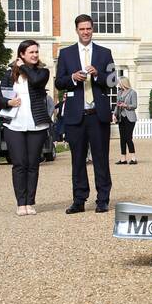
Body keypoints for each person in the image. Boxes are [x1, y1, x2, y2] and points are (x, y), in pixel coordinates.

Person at [54, 14, 114, 214]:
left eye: (88, 28)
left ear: (93, 29)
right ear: (77, 30)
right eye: (82, 29)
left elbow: (112, 81)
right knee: (77, 159)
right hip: (75, 115)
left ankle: (103, 199)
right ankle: (79, 199)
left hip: (98, 114)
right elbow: (58, 82)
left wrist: (98, 75)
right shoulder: (66, 54)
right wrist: (72, 77)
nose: (86, 32)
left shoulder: (105, 53)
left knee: (101, 158)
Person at [0, 40, 52, 215]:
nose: (35, 55)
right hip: (14, 124)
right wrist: (8, 101)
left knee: (33, 164)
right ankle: (21, 203)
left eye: (36, 52)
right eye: (31, 52)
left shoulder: (43, 72)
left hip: (37, 124)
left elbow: (36, 81)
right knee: (20, 164)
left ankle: (30, 202)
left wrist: (23, 67)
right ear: (21, 54)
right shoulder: (9, 74)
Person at [115, 77, 138, 165]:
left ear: (124, 83)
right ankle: (123, 159)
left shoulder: (132, 92)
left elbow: (135, 105)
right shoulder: (119, 92)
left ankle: (133, 158)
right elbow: (117, 105)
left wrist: (126, 105)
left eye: (120, 82)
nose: (118, 84)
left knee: (128, 137)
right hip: (121, 117)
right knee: (122, 138)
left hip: (130, 118)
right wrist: (114, 114)